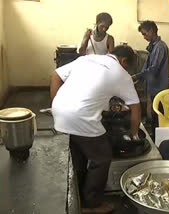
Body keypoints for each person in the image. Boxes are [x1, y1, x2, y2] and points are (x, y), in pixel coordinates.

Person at [50, 45, 141, 214]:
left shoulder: (86, 59)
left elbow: (55, 75)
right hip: (82, 118)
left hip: (60, 113)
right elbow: (135, 108)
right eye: (127, 66)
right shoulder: (122, 73)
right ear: (124, 61)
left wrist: (57, 104)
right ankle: (91, 205)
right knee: (102, 157)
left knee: (77, 155)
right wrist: (133, 134)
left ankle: (76, 197)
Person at [133, 20, 169, 139]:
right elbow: (147, 66)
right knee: (154, 116)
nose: (144, 37)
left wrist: (138, 76)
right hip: (154, 87)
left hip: (159, 88)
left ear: (152, 31)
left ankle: (160, 141)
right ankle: (155, 137)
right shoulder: (153, 47)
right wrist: (139, 78)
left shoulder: (160, 47)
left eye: (145, 34)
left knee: (158, 116)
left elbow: (154, 68)